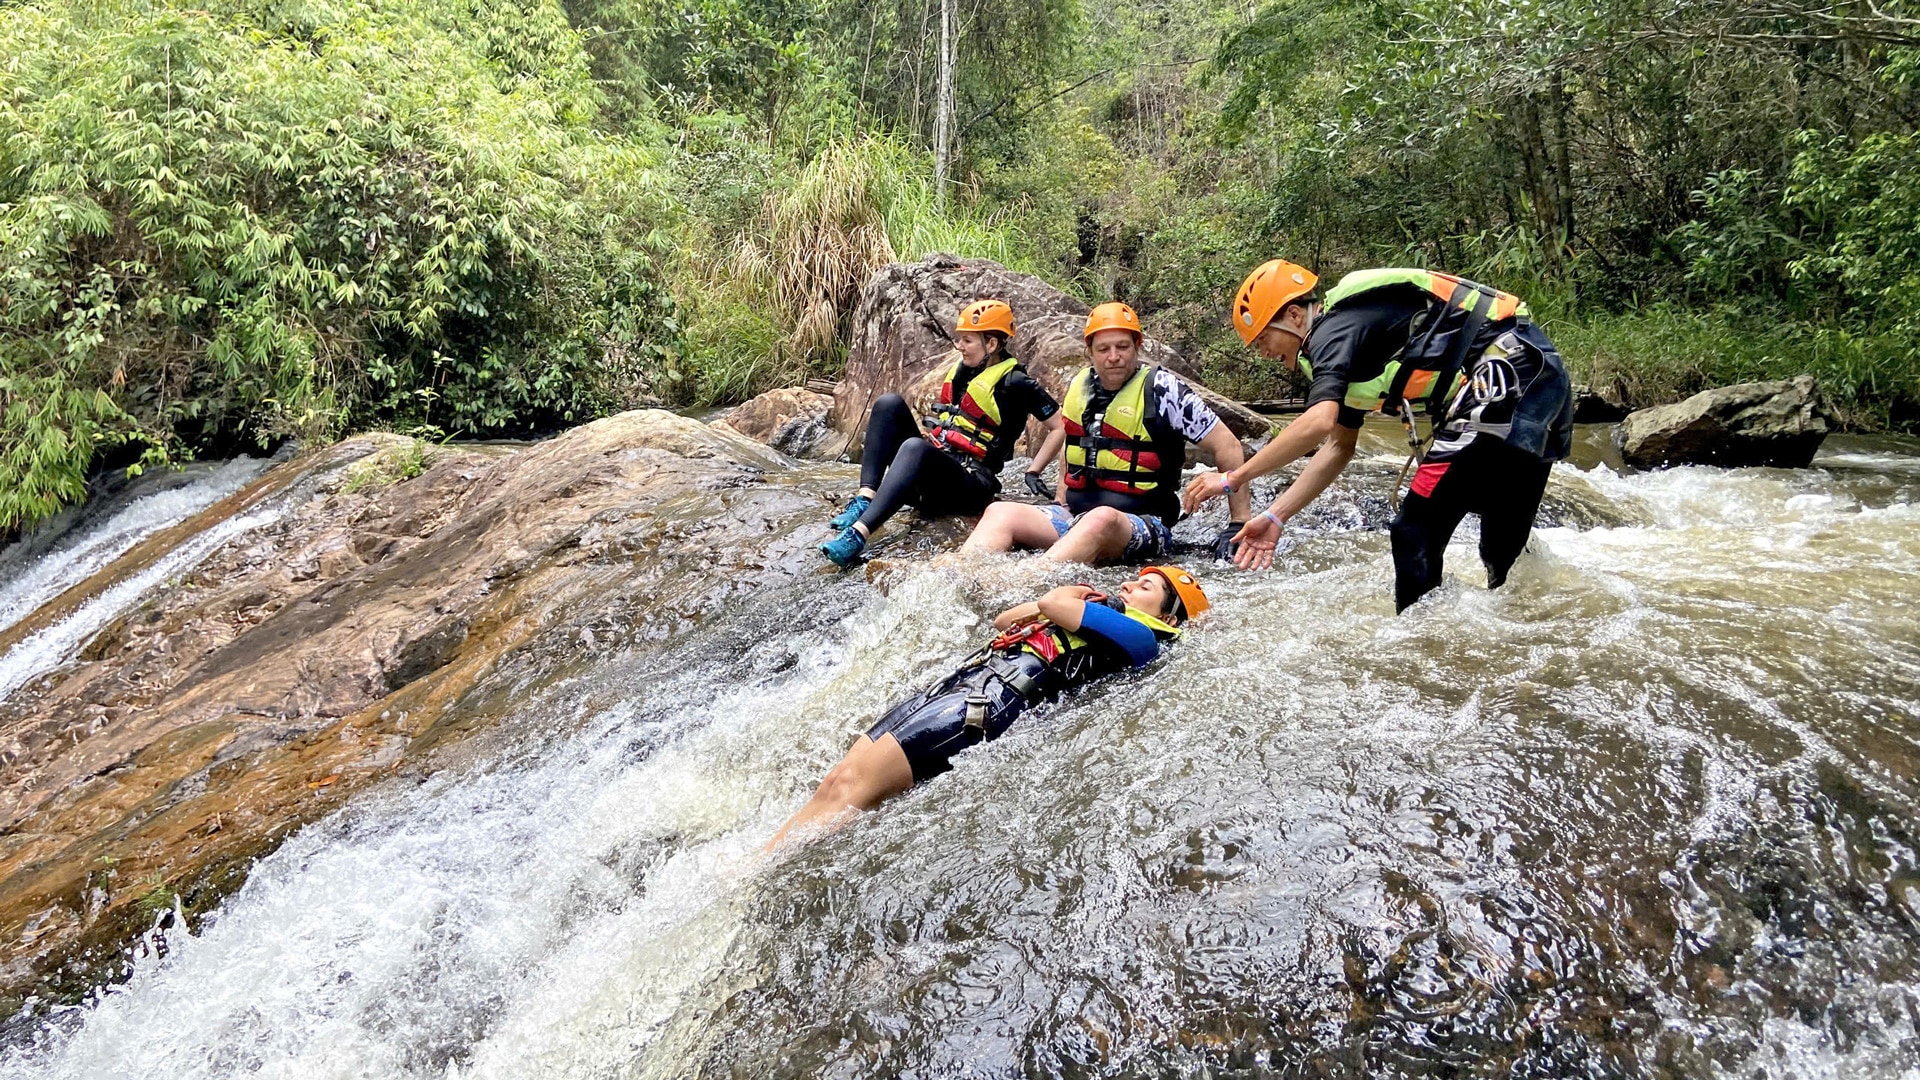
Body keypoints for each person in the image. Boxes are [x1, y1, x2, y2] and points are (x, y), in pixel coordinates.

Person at [1183, 261, 1575, 611]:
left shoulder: (1331, 331)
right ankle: (1516, 625)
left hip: (1502, 378)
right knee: (1499, 540)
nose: (1263, 353)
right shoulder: (1352, 344)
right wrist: (1275, 515)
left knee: (1413, 530)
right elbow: (1338, 447)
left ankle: (1420, 648)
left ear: (1293, 315)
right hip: (1540, 377)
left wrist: (1234, 478)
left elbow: (1319, 422)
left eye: (1263, 340)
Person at [767, 566, 1209, 848]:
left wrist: (1064, 595)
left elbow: (1054, 604)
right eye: (1134, 578)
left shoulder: (1143, 638)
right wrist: (1061, 599)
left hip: (986, 704)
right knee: (838, 781)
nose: (1129, 584)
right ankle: (768, 854)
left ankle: (762, 873)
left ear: (1168, 617)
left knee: (854, 791)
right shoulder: (1099, 617)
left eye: (1145, 586)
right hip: (960, 684)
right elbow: (1004, 622)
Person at [961, 302, 1252, 565]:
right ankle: (958, 570)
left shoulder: (1163, 390)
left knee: (1101, 519)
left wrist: (1239, 522)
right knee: (1000, 513)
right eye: (1103, 349)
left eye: (1122, 347)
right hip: (1076, 517)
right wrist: (1062, 499)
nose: (1114, 357)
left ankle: (1025, 578)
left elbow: (1227, 445)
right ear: (1090, 351)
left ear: (1137, 346)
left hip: (1143, 524)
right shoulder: (1081, 385)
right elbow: (1074, 445)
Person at [821, 300, 1065, 568]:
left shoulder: (1016, 382)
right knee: (888, 404)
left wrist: (1033, 470)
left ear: (992, 344)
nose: (959, 346)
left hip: (971, 487)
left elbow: (1060, 425)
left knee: (915, 447)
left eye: (967, 341)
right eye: (960, 339)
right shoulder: (965, 372)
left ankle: (857, 535)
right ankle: (865, 499)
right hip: (938, 477)